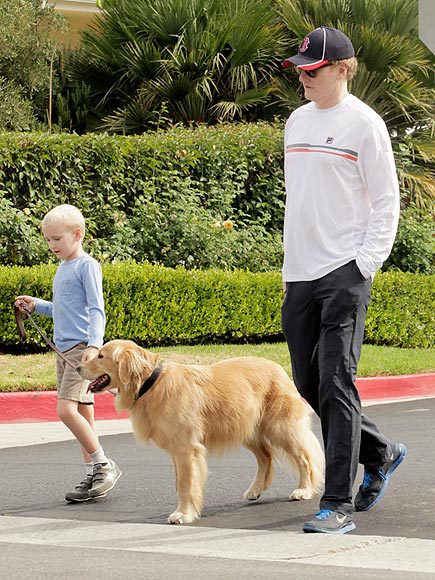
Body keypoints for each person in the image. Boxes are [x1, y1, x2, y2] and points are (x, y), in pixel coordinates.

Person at [280, 26, 406, 534]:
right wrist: (291, 263)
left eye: (312, 70)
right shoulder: (295, 121)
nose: (303, 78)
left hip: (344, 272)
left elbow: (387, 202)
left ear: (342, 69)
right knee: (308, 383)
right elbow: (302, 198)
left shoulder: (365, 126)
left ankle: (337, 504)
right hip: (299, 272)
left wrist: (363, 265)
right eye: (300, 70)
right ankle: (381, 451)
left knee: (336, 379)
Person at [15, 204, 122, 503]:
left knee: (65, 410)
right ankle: (93, 472)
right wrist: (37, 304)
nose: (51, 246)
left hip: (80, 350)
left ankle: (103, 464)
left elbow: (96, 309)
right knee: (84, 411)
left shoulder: (87, 266)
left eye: (57, 239)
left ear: (77, 235)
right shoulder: (63, 268)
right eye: (48, 240)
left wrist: (93, 346)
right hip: (63, 350)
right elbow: (63, 308)